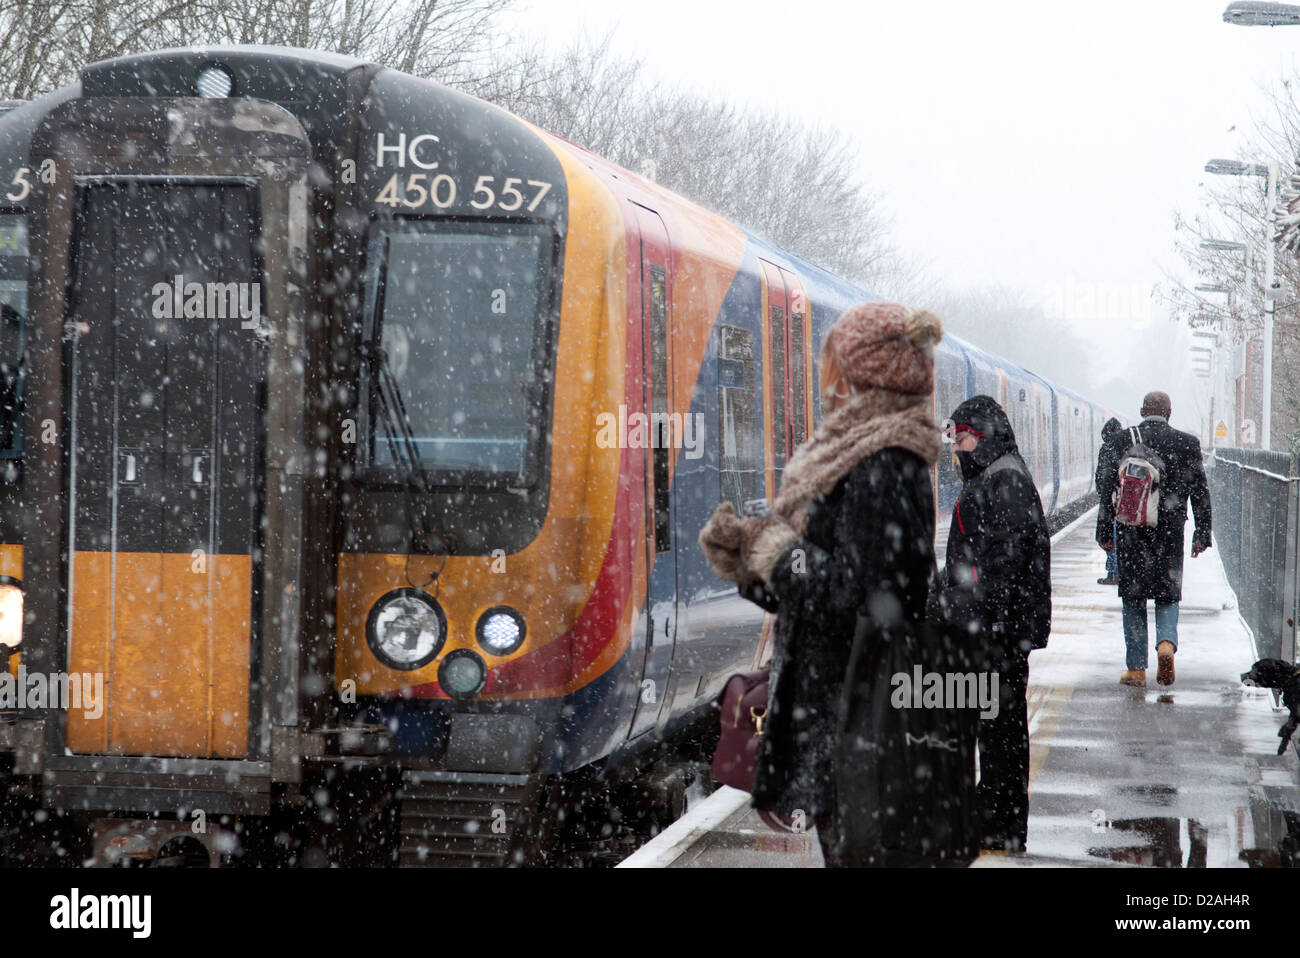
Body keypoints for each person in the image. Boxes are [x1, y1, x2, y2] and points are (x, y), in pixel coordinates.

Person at [698, 301, 943, 867]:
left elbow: (864, 595)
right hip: (844, 708)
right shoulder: (857, 453)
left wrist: (779, 552)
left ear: (864, 372)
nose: (825, 375)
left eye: (833, 361)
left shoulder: (883, 460)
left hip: (857, 718)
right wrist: (749, 563)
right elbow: (818, 589)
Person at [935, 395, 1051, 853]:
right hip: (998, 628)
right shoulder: (999, 473)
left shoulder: (1003, 479)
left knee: (1000, 729)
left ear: (981, 436)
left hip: (998, 632)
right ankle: (996, 817)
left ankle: (1001, 823)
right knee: (996, 726)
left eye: (962, 438)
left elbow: (1001, 565)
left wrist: (966, 612)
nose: (957, 449)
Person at [1095, 391, 1211, 687]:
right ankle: (1166, 645)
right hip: (1170, 530)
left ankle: (1135, 669)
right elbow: (1199, 491)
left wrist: (1104, 531)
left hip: (1131, 530)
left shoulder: (1122, 440)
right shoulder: (1187, 443)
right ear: (1169, 413)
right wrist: (1202, 532)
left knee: (1133, 598)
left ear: (1142, 411)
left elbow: (1108, 489)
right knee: (1167, 593)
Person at [1095, 417, 1124, 586]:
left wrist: (1104, 495)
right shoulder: (1126, 446)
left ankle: (1113, 573)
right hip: (1124, 500)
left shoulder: (1106, 448)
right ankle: (1116, 572)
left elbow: (1101, 476)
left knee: (1109, 537)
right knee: (1117, 536)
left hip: (1111, 499)